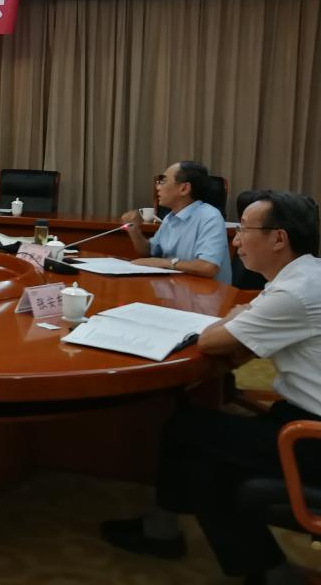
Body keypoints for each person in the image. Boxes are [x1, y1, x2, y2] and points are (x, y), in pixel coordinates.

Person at [102, 191, 321, 585]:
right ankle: (266, 570)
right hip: (299, 419)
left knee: (187, 430)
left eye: (244, 230)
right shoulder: (306, 275)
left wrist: (238, 316)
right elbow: (243, 346)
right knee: (203, 448)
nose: (235, 241)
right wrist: (241, 316)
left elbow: (212, 342)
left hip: (309, 436)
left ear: (278, 238)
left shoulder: (293, 292)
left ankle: (166, 530)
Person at [121, 160, 231, 283]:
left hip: (205, 291)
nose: (158, 187)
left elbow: (208, 267)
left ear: (184, 188)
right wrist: (134, 230)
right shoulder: (170, 218)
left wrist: (165, 263)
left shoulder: (210, 217)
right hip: (176, 286)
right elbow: (149, 252)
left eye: (163, 181)